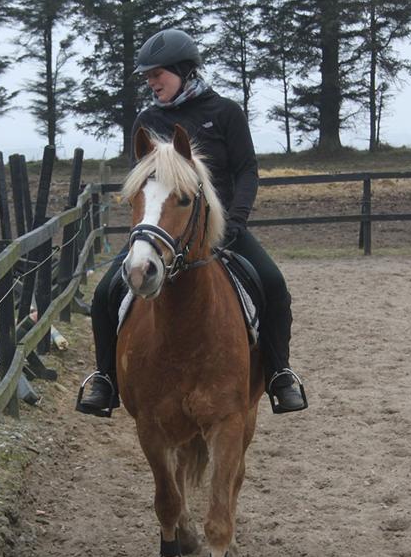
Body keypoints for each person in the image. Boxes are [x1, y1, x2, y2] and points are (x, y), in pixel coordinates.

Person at [77, 27, 307, 416]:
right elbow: (142, 184)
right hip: (163, 232)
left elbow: (246, 170)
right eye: (148, 76)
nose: (152, 82)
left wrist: (237, 219)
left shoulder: (225, 113)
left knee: (273, 284)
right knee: (104, 294)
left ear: (184, 70)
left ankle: (279, 374)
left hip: (220, 231)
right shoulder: (147, 121)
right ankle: (105, 379)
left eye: (158, 74)